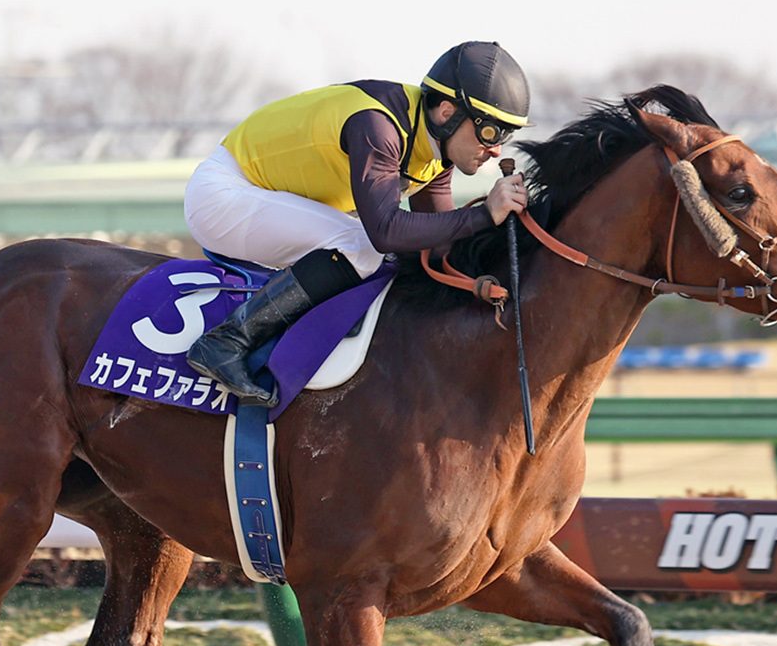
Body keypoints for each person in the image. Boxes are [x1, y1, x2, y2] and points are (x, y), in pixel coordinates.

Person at [182, 40, 534, 405]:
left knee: (376, 252)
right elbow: (385, 232)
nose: (497, 149)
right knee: (362, 247)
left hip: (259, 197)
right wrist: (483, 214)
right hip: (223, 194)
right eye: (490, 132)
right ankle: (227, 341)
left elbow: (439, 245)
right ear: (447, 112)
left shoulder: (433, 152)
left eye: (505, 135)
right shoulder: (378, 127)